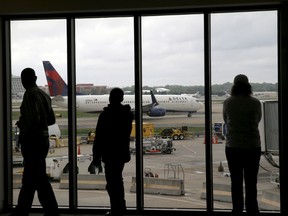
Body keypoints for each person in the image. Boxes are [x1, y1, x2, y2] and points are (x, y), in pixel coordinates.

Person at [10, 68, 59, 216]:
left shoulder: (30, 95)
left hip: (33, 141)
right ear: (36, 78)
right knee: (33, 178)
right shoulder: (44, 95)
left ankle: (48, 210)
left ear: (24, 80)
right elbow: (51, 120)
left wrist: (23, 125)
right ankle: (26, 210)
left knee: (36, 178)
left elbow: (34, 120)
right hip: (42, 140)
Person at [223, 74, 262, 215]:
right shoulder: (255, 102)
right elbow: (257, 121)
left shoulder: (228, 102)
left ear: (234, 86)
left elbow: (226, 121)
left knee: (236, 182)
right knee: (251, 183)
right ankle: (252, 210)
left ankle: (237, 210)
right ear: (248, 86)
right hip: (252, 146)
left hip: (233, 146)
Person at [92, 88, 133, 216]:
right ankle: (120, 209)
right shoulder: (127, 114)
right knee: (117, 182)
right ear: (121, 98)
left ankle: (117, 210)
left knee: (112, 184)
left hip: (109, 154)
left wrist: (96, 158)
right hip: (121, 153)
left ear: (110, 98)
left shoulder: (105, 115)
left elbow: (99, 138)